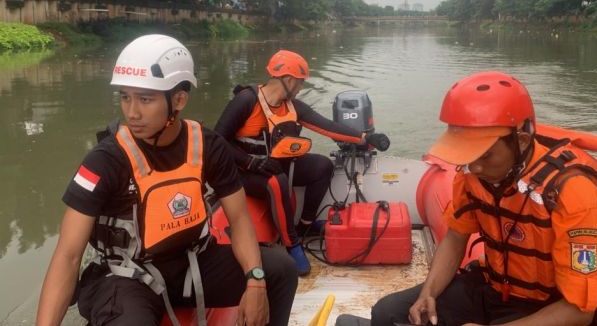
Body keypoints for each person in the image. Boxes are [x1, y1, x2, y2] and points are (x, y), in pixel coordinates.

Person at [36, 35, 297, 326]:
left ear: (179, 100)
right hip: (128, 275)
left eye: (145, 99)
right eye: (125, 96)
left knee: (279, 270)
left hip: (191, 262)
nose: (132, 112)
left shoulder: (206, 145)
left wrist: (256, 281)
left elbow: (238, 219)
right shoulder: (105, 160)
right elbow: (68, 255)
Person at [371, 71, 597, 326]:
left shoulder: (575, 196)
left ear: (522, 141)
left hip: (548, 308)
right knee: (388, 313)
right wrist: (429, 293)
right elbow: (456, 236)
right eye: (467, 155)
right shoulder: (470, 176)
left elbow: (579, 312)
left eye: (485, 155)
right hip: (493, 289)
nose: (475, 167)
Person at [215, 50, 390, 276]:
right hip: (244, 171)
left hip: (275, 166)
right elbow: (217, 140)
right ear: (288, 80)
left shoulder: (293, 106)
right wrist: (250, 162)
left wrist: (366, 139)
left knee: (322, 166)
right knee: (277, 182)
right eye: (300, 83)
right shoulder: (246, 101)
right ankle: (293, 245)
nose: (300, 88)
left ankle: (304, 224)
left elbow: (328, 126)